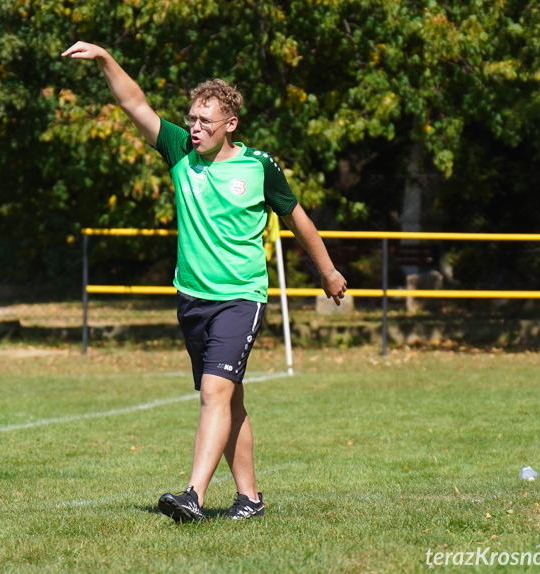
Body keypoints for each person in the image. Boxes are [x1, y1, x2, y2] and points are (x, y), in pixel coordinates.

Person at [62, 41, 347, 522]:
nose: (194, 129)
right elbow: (134, 103)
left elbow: (297, 217)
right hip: (193, 300)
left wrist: (328, 270)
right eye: (191, 119)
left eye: (205, 121)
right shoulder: (178, 152)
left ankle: (192, 494)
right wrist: (107, 58)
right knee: (229, 398)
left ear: (230, 124)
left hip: (241, 298)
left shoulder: (259, 167)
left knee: (214, 393)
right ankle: (250, 499)